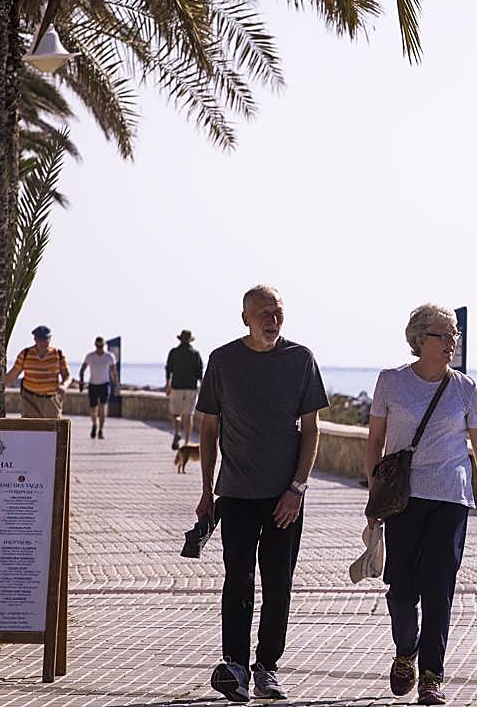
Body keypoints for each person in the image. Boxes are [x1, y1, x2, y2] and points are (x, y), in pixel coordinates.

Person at [365, 303, 477, 706]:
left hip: (451, 499)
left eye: (455, 335)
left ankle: (431, 676)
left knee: (439, 588)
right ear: (419, 340)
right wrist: (375, 498)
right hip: (403, 499)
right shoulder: (391, 382)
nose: (452, 343)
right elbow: (374, 442)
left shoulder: (466, 388)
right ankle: (406, 649)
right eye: (444, 335)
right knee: (401, 591)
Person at [196, 286, 329, 702]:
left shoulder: (300, 359)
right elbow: (208, 429)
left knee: (278, 584)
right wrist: (205, 492)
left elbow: (312, 431)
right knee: (238, 580)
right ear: (245, 318)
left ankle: (266, 668)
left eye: (278, 312)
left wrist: (297, 488)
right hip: (235, 493)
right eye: (264, 313)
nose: (272, 320)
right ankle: (234, 663)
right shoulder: (222, 360)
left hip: (284, 497)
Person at [4, 325, 71, 417]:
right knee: (31, 428)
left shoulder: (58, 355)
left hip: (50, 400)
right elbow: (13, 375)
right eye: (40, 339)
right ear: (35, 339)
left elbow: (67, 375)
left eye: (45, 339)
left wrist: (64, 385)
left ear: (50, 339)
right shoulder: (25, 354)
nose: (42, 342)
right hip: (30, 399)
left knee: (53, 428)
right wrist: (0, 386)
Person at [166, 329, 204, 449]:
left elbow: (168, 370)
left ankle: (177, 432)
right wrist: (203, 388)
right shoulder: (195, 354)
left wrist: (168, 385)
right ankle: (187, 442)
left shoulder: (174, 352)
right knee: (188, 415)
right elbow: (200, 373)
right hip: (191, 388)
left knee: (175, 413)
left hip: (176, 387)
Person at [78, 336, 119, 439]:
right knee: (93, 409)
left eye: (101, 346)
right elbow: (82, 369)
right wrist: (81, 381)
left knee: (102, 408)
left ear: (104, 346)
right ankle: (94, 425)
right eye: (97, 346)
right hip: (93, 385)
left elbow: (114, 372)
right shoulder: (90, 356)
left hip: (104, 384)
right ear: (95, 345)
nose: (99, 348)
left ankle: (101, 429)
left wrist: (117, 386)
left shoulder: (109, 357)